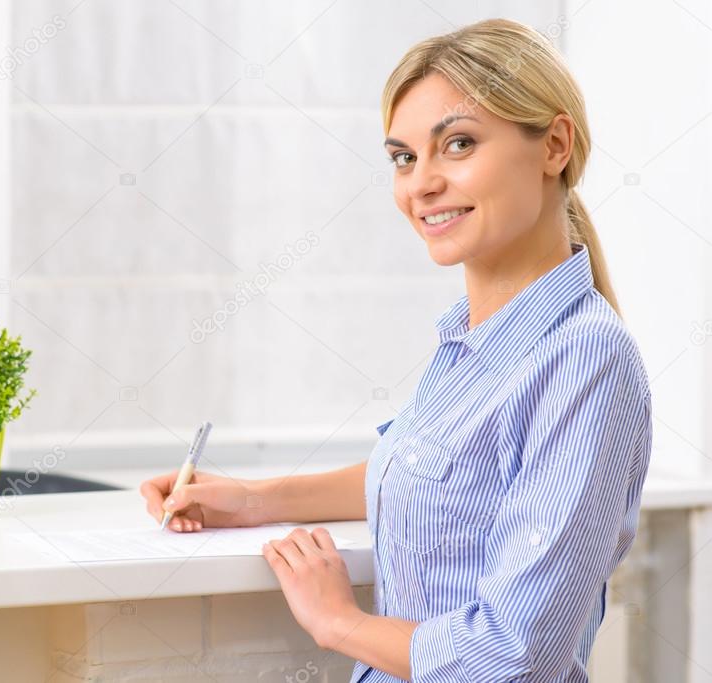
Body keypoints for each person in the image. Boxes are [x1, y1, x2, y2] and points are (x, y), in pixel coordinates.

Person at [139, 17, 651, 682]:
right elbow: (439, 477)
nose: (420, 184)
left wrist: (339, 622)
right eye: (403, 158)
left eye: (457, 144)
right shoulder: (470, 344)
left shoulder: (586, 362)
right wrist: (252, 498)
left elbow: (514, 653)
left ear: (553, 145)